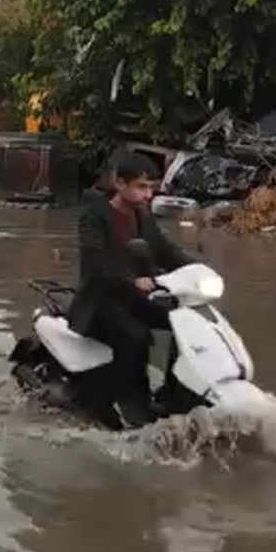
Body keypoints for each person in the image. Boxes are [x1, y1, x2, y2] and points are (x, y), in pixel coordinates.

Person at [68, 151, 192, 427]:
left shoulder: (142, 215)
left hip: (135, 299)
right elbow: (96, 265)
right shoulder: (94, 217)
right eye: (141, 186)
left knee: (185, 321)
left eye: (151, 188)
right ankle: (133, 404)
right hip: (101, 301)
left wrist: (196, 269)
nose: (148, 194)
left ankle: (173, 395)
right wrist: (132, 280)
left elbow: (164, 250)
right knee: (136, 336)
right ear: (120, 183)